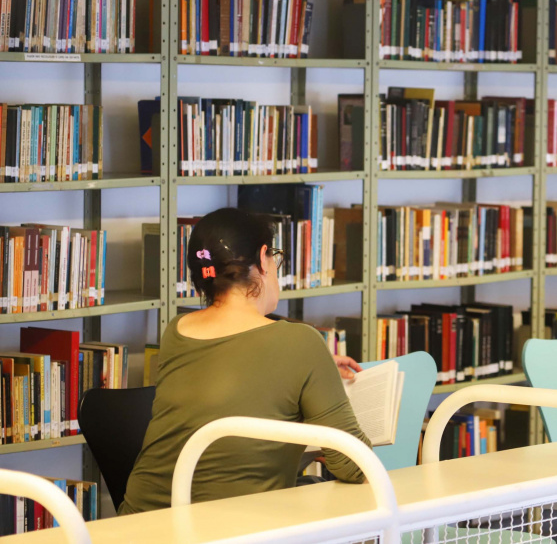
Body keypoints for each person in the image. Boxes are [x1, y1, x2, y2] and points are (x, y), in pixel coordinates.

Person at [119, 208, 370, 515]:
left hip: (140, 525)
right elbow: (354, 467)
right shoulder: (301, 343)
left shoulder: (177, 330)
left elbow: (231, 379)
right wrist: (313, 367)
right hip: (232, 530)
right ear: (263, 258)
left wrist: (315, 367)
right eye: (275, 257)